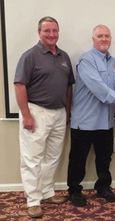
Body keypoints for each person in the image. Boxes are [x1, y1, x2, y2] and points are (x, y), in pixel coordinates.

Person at [67, 25, 115, 207]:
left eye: (107, 36)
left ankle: (104, 187)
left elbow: (114, 87)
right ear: (93, 39)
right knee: (78, 159)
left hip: (105, 121)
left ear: (110, 39)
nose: (104, 39)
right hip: (85, 120)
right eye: (100, 36)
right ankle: (74, 190)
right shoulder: (86, 60)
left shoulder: (113, 62)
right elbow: (98, 88)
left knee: (105, 158)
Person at [14, 16, 74, 218]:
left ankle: (47, 192)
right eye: (47, 31)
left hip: (59, 113)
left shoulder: (64, 56)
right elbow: (19, 86)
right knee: (32, 159)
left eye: (55, 30)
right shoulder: (29, 56)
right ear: (39, 32)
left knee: (52, 157)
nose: (51, 34)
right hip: (36, 112)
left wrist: (67, 111)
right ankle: (32, 200)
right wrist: (26, 115)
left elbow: (68, 86)